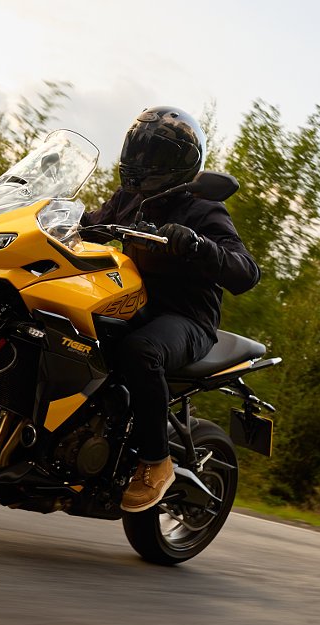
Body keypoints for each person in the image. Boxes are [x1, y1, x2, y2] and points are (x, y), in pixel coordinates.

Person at [81, 106, 261, 512]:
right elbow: (90, 224)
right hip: (134, 303)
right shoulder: (129, 199)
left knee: (139, 351)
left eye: (154, 155)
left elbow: (247, 272)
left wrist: (198, 245)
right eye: (138, 150)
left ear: (180, 163)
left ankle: (155, 462)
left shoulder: (203, 209)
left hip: (187, 319)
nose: (141, 161)